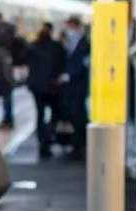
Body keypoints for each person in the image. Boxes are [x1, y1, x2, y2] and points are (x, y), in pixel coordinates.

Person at [25, 22, 69, 158]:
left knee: (40, 115)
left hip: (37, 88)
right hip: (52, 87)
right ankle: (49, 136)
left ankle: (42, 142)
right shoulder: (57, 47)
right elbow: (64, 64)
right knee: (55, 114)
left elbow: (25, 61)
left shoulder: (32, 46)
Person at [62, 16, 91, 160]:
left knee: (79, 115)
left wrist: (69, 75)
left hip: (79, 86)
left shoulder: (84, 43)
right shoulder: (72, 43)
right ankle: (77, 144)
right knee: (76, 114)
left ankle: (80, 144)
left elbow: (82, 64)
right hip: (74, 87)